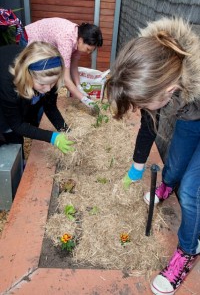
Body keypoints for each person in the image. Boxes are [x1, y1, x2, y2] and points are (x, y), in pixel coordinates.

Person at [105, 17, 200, 295]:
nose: (144, 109)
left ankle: (188, 250)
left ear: (169, 91)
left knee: (193, 191)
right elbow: (149, 125)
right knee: (175, 164)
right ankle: (168, 184)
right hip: (191, 114)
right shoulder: (158, 67)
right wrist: (136, 169)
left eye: (145, 104)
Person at [0, 41, 75, 157]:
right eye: (42, 85)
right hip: (5, 88)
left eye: (52, 83)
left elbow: (50, 107)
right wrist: (52, 137)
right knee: (8, 131)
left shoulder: (50, 71)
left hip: (20, 88)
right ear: (28, 75)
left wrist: (66, 131)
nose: (47, 89)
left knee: (24, 117)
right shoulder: (8, 83)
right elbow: (17, 125)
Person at [19, 17, 103, 108]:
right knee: (31, 77)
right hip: (29, 37)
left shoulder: (78, 38)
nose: (88, 53)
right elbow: (66, 79)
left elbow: (74, 65)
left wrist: (79, 86)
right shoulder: (66, 41)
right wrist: (84, 99)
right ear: (81, 40)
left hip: (43, 44)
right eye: (88, 49)